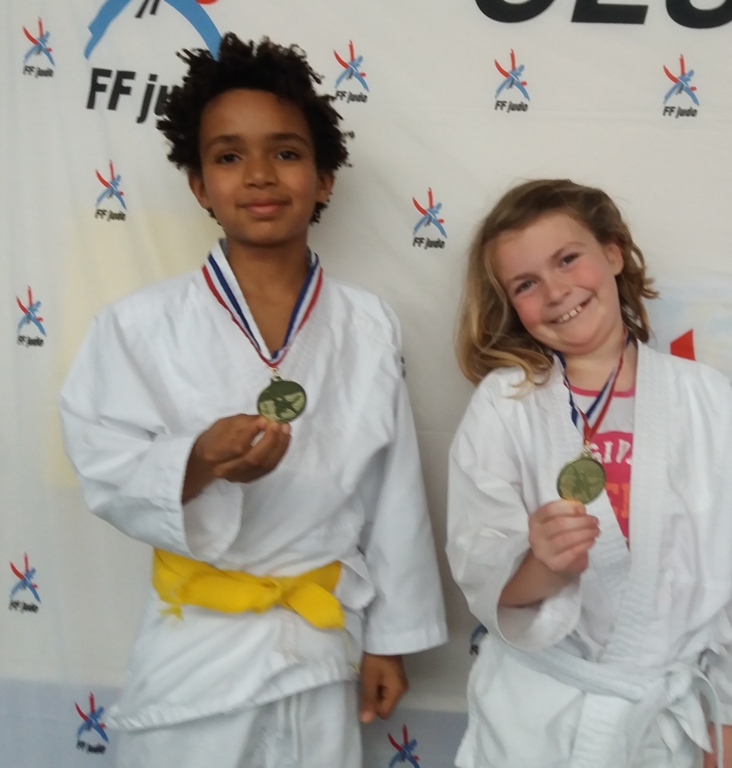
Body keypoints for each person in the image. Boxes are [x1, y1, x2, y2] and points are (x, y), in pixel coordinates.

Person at [59, 33, 446, 768]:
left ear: (324, 178)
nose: (260, 175)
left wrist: (390, 640)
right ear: (199, 185)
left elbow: (393, 488)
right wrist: (197, 461)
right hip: (194, 647)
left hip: (320, 642)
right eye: (229, 156)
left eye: (286, 153)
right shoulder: (137, 325)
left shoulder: (367, 324)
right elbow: (104, 463)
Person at [446, 179, 732, 768]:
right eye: (526, 284)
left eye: (568, 259)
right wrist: (541, 564)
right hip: (537, 713)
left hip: (663, 716)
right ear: (510, 305)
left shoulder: (704, 396)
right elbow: (480, 563)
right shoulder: (506, 402)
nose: (556, 291)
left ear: (613, 253)